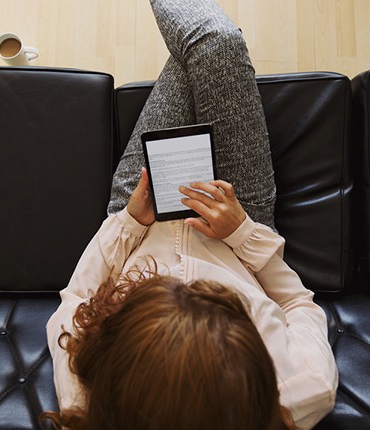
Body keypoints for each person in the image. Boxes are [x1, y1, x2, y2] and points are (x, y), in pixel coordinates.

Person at [44, 174, 337, 430]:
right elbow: (297, 304)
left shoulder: (85, 397)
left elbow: (78, 300)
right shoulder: (306, 388)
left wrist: (130, 221)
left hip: (139, 220)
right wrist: (241, 232)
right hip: (236, 221)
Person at [108, 0, 276, 230]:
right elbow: (277, 267)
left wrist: (129, 223)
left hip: (135, 229)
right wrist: (240, 233)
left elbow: (95, 266)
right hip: (240, 229)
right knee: (219, 44)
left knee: (211, 48)